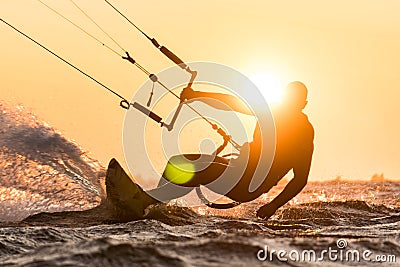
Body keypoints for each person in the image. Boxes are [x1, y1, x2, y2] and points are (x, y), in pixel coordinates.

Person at [148, 81, 314, 220]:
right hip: (237, 168)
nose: (289, 104)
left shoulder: (304, 132)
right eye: (287, 99)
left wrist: (274, 205)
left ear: (303, 104)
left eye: (294, 101)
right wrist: (198, 94)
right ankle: (154, 205)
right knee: (177, 162)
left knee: (198, 170)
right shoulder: (270, 111)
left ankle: (151, 204)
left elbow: (300, 179)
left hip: (249, 185)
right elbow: (232, 103)